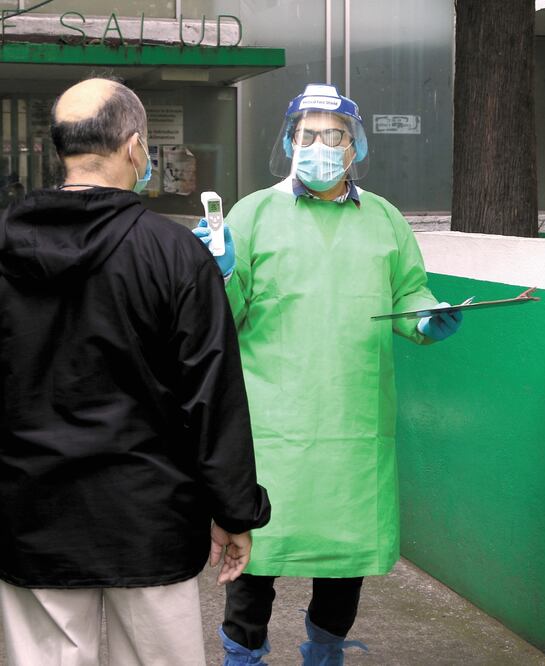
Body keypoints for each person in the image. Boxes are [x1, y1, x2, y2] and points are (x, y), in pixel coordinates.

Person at [0, 78, 271, 665]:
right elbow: (212, 396)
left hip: (29, 512)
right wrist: (235, 511)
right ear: (133, 146)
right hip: (149, 516)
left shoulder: (5, 245)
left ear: (62, 150)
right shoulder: (174, 254)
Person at [193, 83, 463, 665]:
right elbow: (227, 315)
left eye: (335, 137)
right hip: (270, 427)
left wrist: (427, 317)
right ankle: (243, 658)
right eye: (309, 134)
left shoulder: (385, 219)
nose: (321, 146)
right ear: (290, 141)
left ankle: (325, 655)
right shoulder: (253, 213)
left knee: (346, 563)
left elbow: (408, 292)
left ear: (355, 147)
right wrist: (217, 274)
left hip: (354, 422)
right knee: (254, 561)